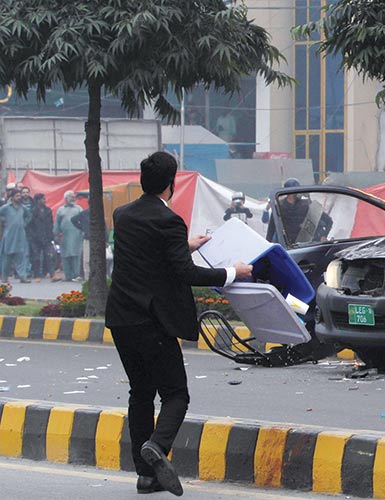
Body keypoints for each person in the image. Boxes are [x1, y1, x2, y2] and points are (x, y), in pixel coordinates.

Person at [105, 151, 253, 496]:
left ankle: (146, 476)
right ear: (171, 185)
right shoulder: (169, 220)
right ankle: (157, 446)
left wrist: (185, 245)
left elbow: (148, 255)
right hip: (151, 323)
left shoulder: (123, 215)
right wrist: (234, 272)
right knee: (175, 394)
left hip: (121, 319)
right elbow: (185, 273)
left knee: (140, 393)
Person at [263, 177, 310, 244]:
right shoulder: (279, 206)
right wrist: (268, 243)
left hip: (303, 241)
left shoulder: (304, 205)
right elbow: (272, 228)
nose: (295, 193)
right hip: (286, 243)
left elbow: (313, 221)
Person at [0, 188, 32, 282]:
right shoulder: (6, 207)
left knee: (21, 256)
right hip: (9, 235)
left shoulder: (23, 208)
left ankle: (22, 276)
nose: (19, 198)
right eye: (17, 196)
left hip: (20, 235)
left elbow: (29, 216)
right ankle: (4, 277)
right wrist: (3, 220)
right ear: (12, 197)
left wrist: (24, 223)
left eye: (19, 196)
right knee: (7, 257)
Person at [54, 190, 83, 282]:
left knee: (76, 255)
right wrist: (56, 235)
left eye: (74, 197)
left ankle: (76, 275)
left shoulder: (78, 209)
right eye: (71, 196)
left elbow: (83, 221)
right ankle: (68, 276)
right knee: (65, 255)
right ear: (66, 198)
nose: (73, 198)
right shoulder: (61, 209)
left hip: (77, 236)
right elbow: (57, 223)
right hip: (64, 236)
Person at [28, 193, 54, 280]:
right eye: (43, 199)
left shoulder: (48, 210)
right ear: (38, 200)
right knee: (36, 257)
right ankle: (37, 274)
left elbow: (50, 224)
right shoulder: (32, 211)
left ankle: (51, 274)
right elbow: (30, 225)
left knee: (49, 256)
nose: (44, 200)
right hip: (35, 238)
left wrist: (51, 235)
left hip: (47, 236)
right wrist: (33, 236)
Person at [71, 207, 90, 280]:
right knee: (87, 260)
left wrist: (83, 228)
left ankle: (87, 278)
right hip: (92, 238)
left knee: (87, 260)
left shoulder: (84, 213)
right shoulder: (85, 213)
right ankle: (88, 277)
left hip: (88, 237)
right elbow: (73, 219)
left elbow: (73, 219)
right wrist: (83, 228)